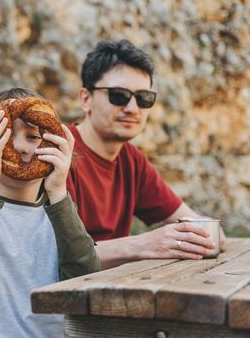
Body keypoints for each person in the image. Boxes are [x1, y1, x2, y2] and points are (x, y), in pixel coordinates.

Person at [0, 88, 100, 337]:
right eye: (4, 137)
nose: (20, 147)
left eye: (33, 136)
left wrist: (59, 191)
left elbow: (85, 278)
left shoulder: (58, 208)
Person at [67, 39, 226, 270]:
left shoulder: (131, 160)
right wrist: (144, 244)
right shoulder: (60, 154)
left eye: (143, 98)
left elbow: (198, 225)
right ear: (86, 99)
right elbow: (57, 255)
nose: (133, 108)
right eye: (119, 95)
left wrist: (209, 234)